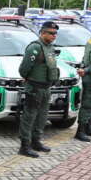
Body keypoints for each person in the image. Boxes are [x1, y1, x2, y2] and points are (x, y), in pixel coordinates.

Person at [17, 21, 60, 158]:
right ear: (42, 33)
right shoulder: (35, 48)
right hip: (35, 88)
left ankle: (36, 141)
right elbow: (24, 69)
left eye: (55, 33)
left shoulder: (50, 48)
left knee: (42, 116)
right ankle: (24, 145)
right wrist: (30, 80)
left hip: (46, 88)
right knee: (29, 117)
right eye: (51, 33)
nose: (54, 35)